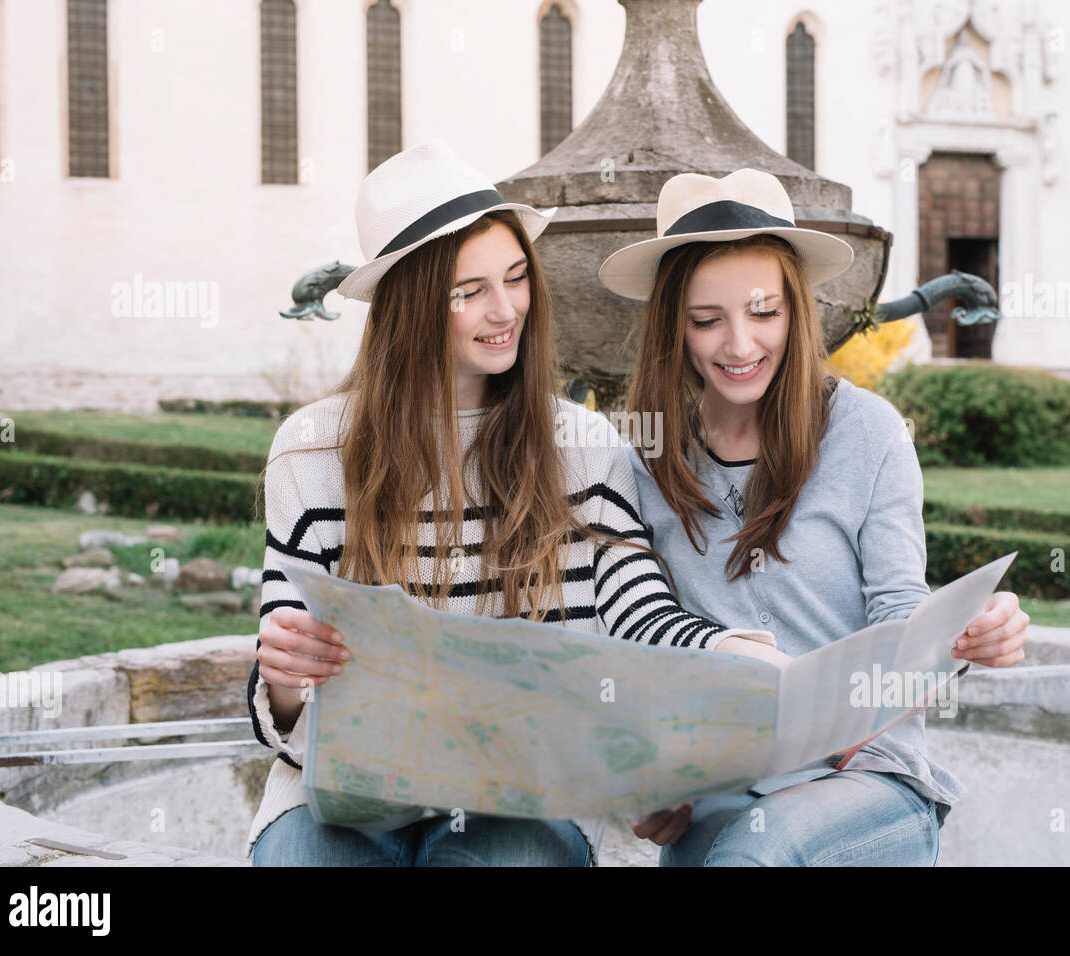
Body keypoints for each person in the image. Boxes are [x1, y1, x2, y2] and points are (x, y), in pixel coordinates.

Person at [244, 141, 781, 867]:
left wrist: (716, 651)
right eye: (470, 291)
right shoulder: (310, 452)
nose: (506, 311)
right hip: (346, 796)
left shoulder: (581, 445)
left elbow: (636, 609)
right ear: (409, 303)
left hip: (523, 796)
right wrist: (282, 680)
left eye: (517, 278)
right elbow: (283, 691)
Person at [598, 168, 1030, 865]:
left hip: (866, 778)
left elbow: (900, 612)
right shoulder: (645, 460)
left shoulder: (868, 432)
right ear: (674, 327)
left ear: (797, 310)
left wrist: (969, 638)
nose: (739, 346)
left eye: (764, 312)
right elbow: (643, 640)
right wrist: (654, 775)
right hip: (724, 789)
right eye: (708, 320)